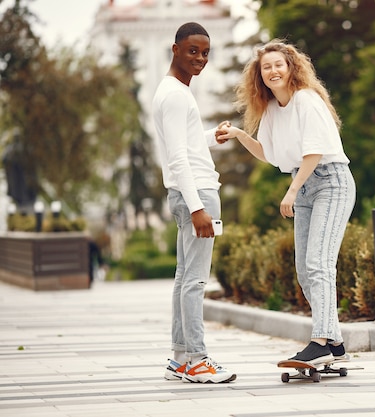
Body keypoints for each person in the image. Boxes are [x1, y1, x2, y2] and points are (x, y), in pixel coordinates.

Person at [217, 39, 356, 365]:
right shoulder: (270, 111)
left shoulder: (306, 100)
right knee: (305, 273)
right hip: (305, 185)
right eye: (266, 67)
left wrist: (292, 191)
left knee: (319, 265)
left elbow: (315, 151)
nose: (273, 71)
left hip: (330, 183)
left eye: (278, 64)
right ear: (260, 75)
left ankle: (319, 341)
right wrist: (239, 135)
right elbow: (269, 153)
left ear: (291, 67)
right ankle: (335, 342)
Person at [152, 22, 235, 383]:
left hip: (190, 192)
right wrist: (198, 208)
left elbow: (184, 145)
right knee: (196, 281)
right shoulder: (175, 95)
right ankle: (198, 360)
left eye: (205, 52)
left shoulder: (174, 92)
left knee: (184, 277)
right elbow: (177, 159)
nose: (200, 58)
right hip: (196, 194)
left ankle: (180, 359)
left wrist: (211, 138)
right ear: (175, 50)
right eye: (192, 51)